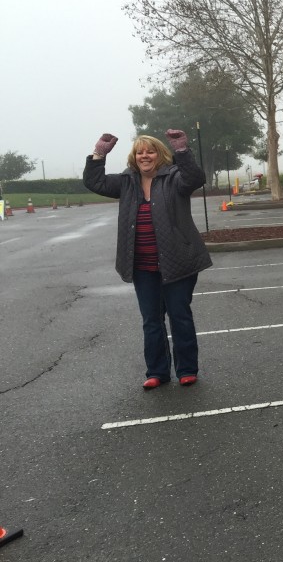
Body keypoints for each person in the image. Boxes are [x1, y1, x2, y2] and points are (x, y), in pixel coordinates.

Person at [84, 131, 212, 390]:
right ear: (134, 157)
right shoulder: (126, 182)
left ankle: (187, 369)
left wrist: (182, 150)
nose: (145, 155)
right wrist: (99, 154)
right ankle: (157, 371)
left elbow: (195, 178)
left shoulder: (174, 177)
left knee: (179, 316)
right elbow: (94, 183)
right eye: (140, 152)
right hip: (142, 266)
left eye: (150, 151)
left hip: (178, 262)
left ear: (160, 154)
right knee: (151, 320)